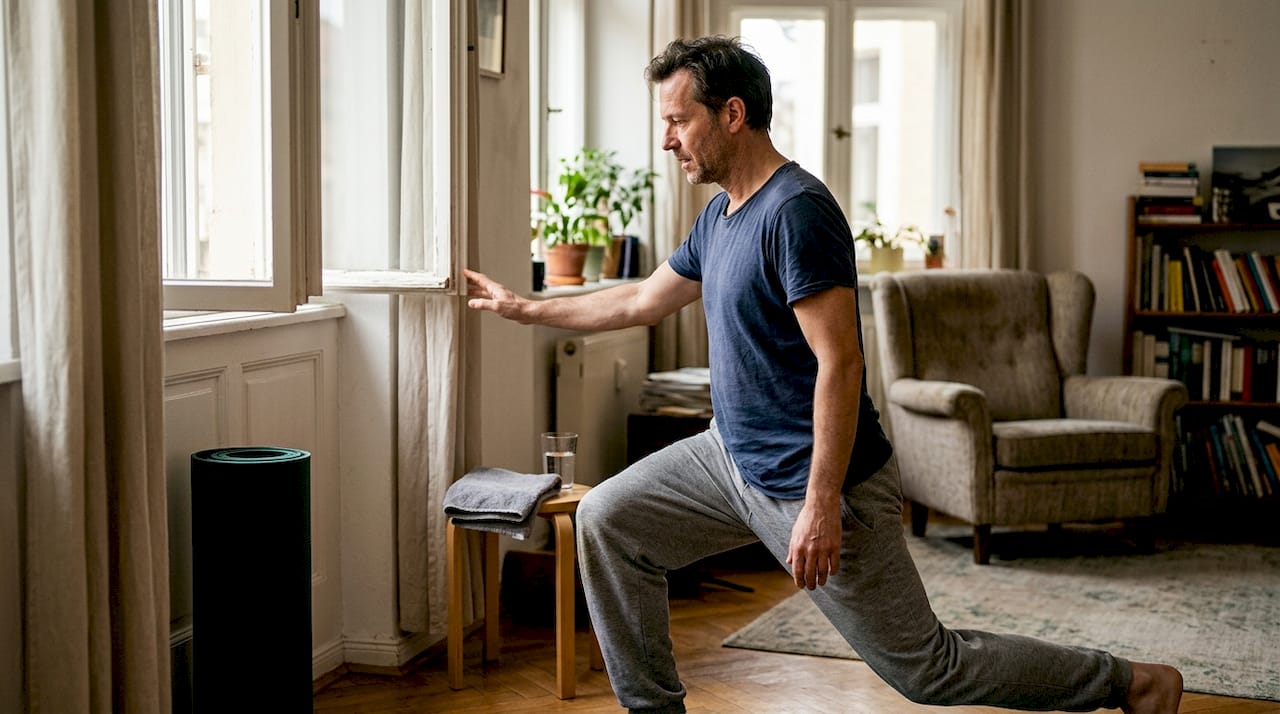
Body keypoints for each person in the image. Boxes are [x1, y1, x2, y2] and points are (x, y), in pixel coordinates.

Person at [465, 35, 1183, 714]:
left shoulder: (797, 212)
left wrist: (821, 503)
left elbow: (841, 362)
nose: (667, 140)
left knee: (928, 667)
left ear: (732, 114)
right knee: (607, 519)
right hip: (729, 459)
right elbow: (641, 300)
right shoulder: (720, 217)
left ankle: (1132, 682)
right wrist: (527, 309)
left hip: (818, 479)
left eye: (678, 121)